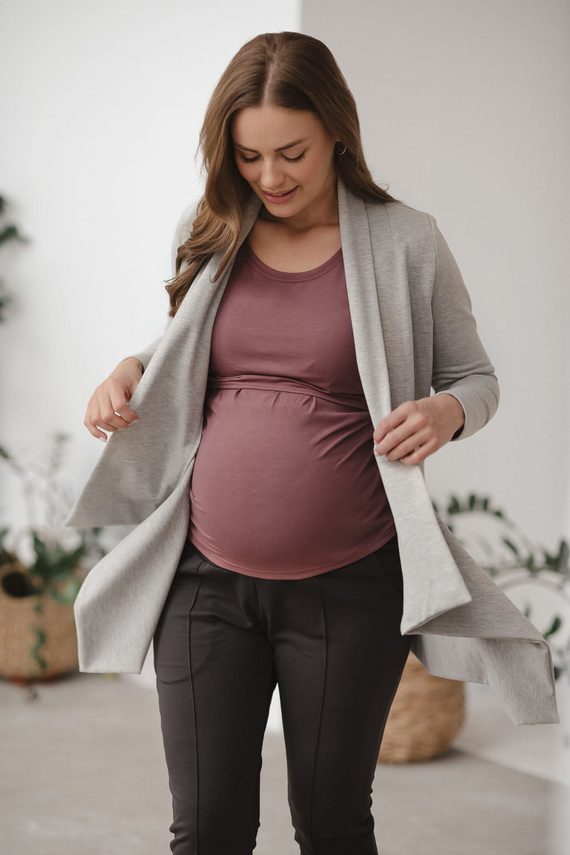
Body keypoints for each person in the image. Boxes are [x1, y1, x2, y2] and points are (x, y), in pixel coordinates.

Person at [70, 31, 558, 855]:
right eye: (249, 156)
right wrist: (129, 368)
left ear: (336, 130)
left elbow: (475, 376)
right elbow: (186, 350)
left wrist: (446, 412)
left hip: (351, 589)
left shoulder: (406, 242)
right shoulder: (215, 226)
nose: (270, 176)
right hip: (203, 582)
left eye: (291, 152)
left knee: (332, 825)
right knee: (206, 829)